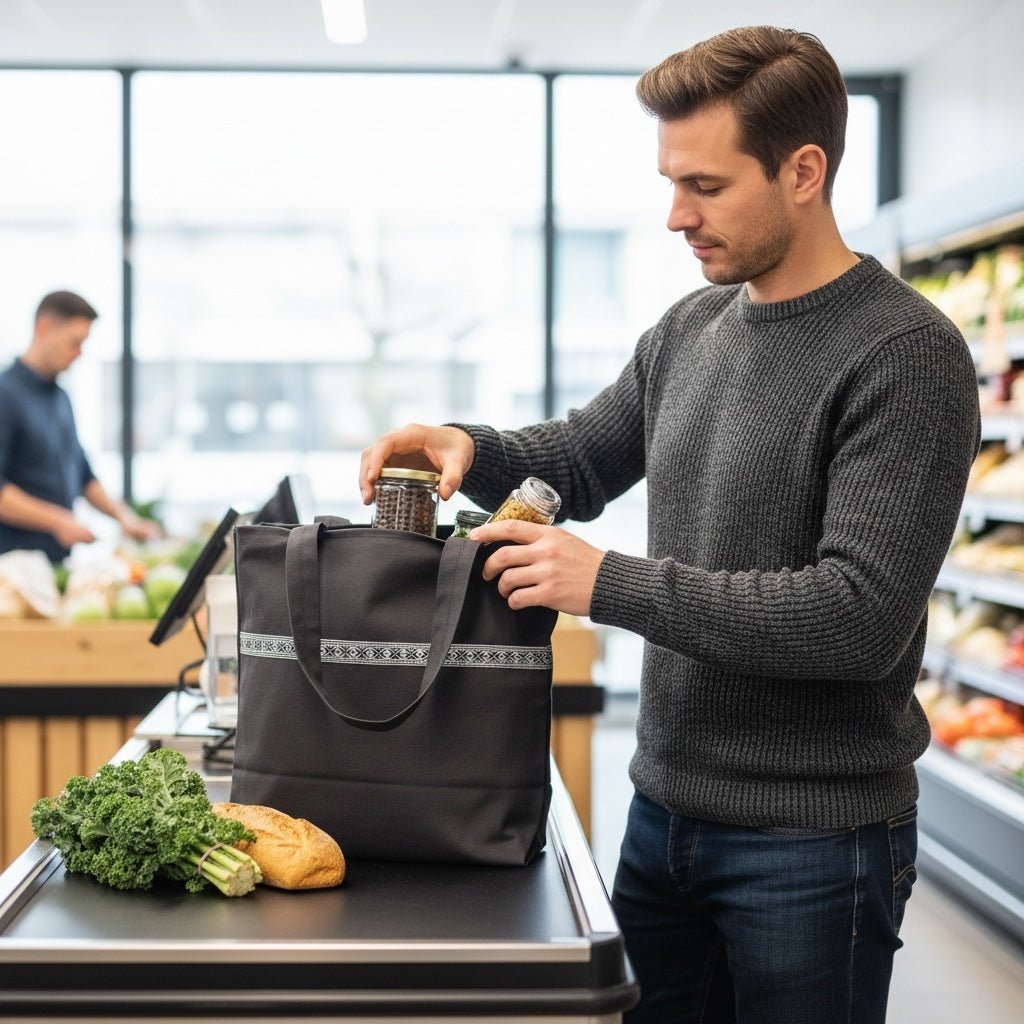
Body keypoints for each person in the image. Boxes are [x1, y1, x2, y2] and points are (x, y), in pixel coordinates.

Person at [359, 25, 980, 1024]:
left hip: (813, 846)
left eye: (704, 185)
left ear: (803, 171)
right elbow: (582, 459)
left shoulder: (906, 353)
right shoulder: (689, 329)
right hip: (663, 818)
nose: (673, 215)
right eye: (668, 181)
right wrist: (468, 444)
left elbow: (853, 615)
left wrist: (604, 584)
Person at [0, 290, 159, 563]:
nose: (79, 353)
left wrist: (125, 518)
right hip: (11, 570)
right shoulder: (5, 394)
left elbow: (83, 474)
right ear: (44, 328)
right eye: (75, 342)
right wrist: (58, 520)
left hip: (55, 564)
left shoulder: (60, 398)